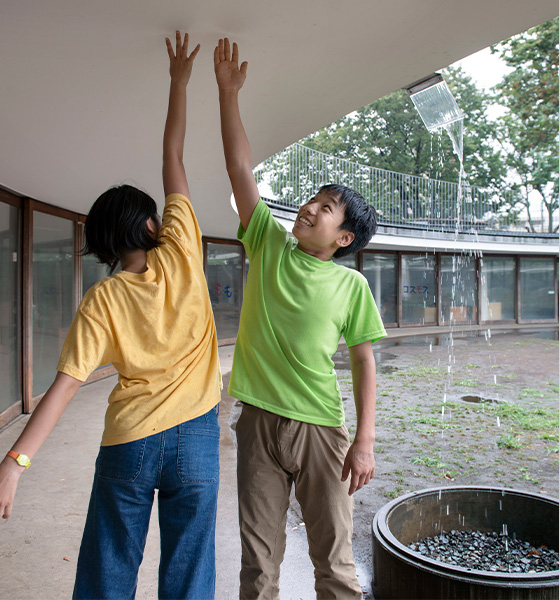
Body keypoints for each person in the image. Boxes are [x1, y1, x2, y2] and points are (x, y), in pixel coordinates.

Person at [0, 31, 222, 600]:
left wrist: (14, 464)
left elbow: (64, 388)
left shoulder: (102, 299)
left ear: (105, 243)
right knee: (190, 572)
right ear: (154, 226)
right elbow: (173, 157)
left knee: (108, 569)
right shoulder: (183, 251)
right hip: (197, 439)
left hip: (129, 441)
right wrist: (179, 81)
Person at [214, 37, 386, 599]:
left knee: (334, 563)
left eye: (326, 206)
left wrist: (364, 441)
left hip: (321, 430)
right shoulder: (266, 243)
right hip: (258, 421)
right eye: (314, 197)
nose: (309, 206)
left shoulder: (350, 284)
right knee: (258, 565)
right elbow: (240, 167)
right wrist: (228, 93)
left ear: (344, 237)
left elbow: (363, 362)